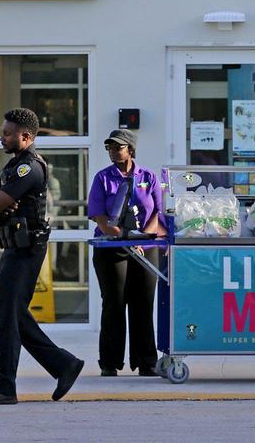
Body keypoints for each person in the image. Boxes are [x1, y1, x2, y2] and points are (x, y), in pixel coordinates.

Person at [0, 108, 84, 405]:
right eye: (3, 131)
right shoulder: (14, 165)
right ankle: (62, 365)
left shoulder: (28, 168)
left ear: (26, 136)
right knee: (13, 314)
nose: (1, 137)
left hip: (26, 249)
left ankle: (6, 385)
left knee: (10, 313)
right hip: (15, 247)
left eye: (7, 133)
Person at [87, 129, 165, 377]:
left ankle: (146, 362)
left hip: (145, 248)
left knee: (143, 304)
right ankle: (109, 363)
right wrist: (119, 235)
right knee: (114, 303)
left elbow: (158, 213)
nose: (112, 151)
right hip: (112, 248)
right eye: (109, 147)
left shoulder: (149, 177)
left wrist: (143, 237)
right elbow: (98, 215)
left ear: (130, 149)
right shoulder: (103, 178)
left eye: (117, 147)